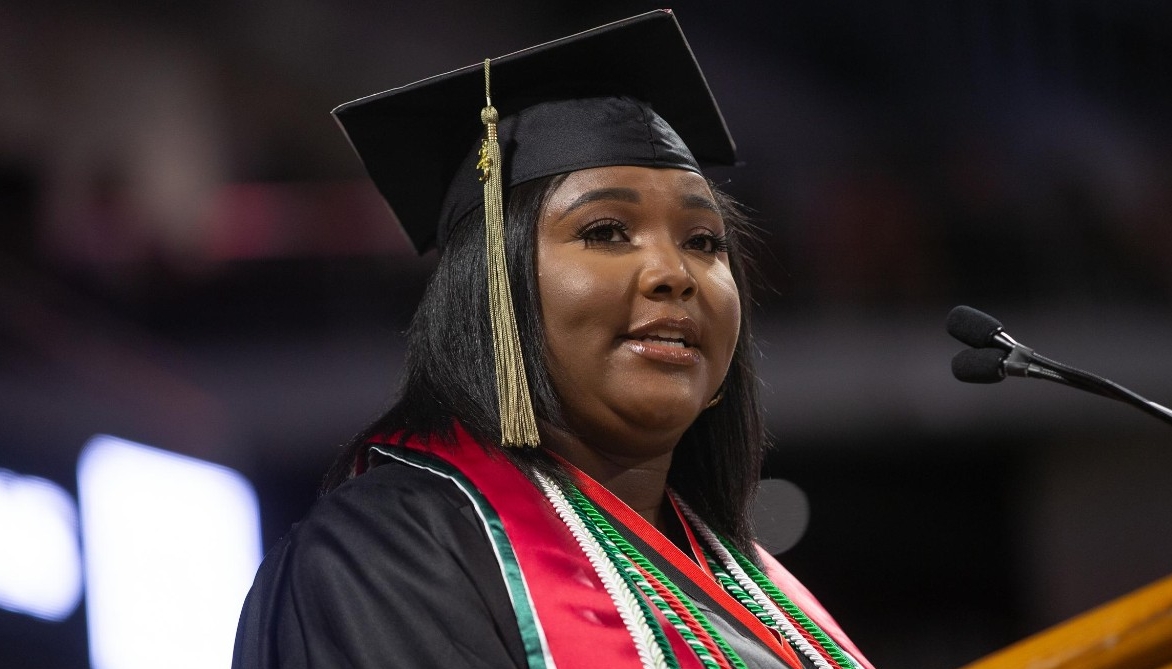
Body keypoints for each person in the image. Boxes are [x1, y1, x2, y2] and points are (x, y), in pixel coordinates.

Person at [232, 11, 875, 669]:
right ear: (490, 286)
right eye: (604, 231)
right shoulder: (385, 554)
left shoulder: (751, 589)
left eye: (703, 241)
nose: (673, 273)